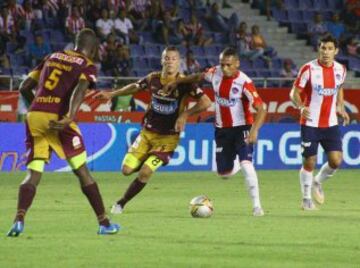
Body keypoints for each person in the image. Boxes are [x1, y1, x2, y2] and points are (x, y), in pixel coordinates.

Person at [7, 28, 120, 237]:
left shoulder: (52, 56)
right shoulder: (87, 64)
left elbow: (24, 87)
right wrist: (70, 115)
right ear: (93, 49)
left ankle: (18, 219)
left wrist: (38, 108)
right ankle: (104, 223)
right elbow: (82, 87)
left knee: (33, 173)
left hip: (35, 116)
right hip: (59, 119)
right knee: (82, 171)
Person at [95, 46, 211, 214]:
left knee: (145, 172)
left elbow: (206, 102)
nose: (170, 61)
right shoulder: (153, 78)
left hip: (168, 139)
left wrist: (185, 114)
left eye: (173, 59)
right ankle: (145, 159)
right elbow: (135, 86)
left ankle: (121, 203)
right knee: (126, 170)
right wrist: (112, 94)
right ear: (162, 60)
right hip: (147, 134)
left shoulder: (186, 83)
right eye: (167, 58)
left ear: (179, 62)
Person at [161, 47, 267, 216]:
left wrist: (254, 130)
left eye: (228, 65)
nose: (224, 68)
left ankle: (257, 206)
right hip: (222, 130)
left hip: (242, 127)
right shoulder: (215, 73)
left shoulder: (244, 82)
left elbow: (261, 108)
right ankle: (240, 163)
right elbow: (198, 76)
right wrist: (178, 82)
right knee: (223, 173)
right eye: (222, 64)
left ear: (237, 64)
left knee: (247, 164)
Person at [289, 34, 350, 210]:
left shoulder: (341, 70)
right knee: (309, 161)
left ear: (336, 51)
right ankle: (306, 199)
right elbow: (294, 93)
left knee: (336, 161)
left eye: (330, 49)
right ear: (319, 49)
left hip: (330, 123)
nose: (326, 52)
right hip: (310, 122)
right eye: (323, 48)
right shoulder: (308, 69)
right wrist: (301, 107)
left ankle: (317, 182)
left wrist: (340, 107)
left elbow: (339, 88)